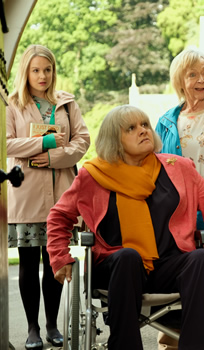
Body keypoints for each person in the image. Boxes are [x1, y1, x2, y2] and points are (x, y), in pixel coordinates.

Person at [46, 105, 204, 350]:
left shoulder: (180, 168)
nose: (143, 131)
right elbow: (59, 216)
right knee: (128, 256)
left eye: (145, 125)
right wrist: (60, 257)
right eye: (132, 128)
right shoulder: (93, 175)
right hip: (116, 268)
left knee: (201, 258)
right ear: (114, 138)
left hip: (169, 265)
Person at [6, 44, 90, 349]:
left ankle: (53, 326)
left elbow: (82, 140)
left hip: (61, 196)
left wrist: (55, 157)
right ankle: (32, 329)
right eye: (36, 70)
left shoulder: (67, 103)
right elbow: (6, 144)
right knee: (29, 263)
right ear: (25, 72)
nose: (43, 76)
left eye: (48, 69)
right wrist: (45, 142)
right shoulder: (11, 104)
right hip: (25, 195)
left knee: (56, 261)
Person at [155, 47, 204, 349]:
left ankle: (194, 337)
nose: (201, 80)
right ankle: (171, 338)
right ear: (180, 80)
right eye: (193, 75)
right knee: (172, 274)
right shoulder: (165, 121)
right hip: (175, 214)